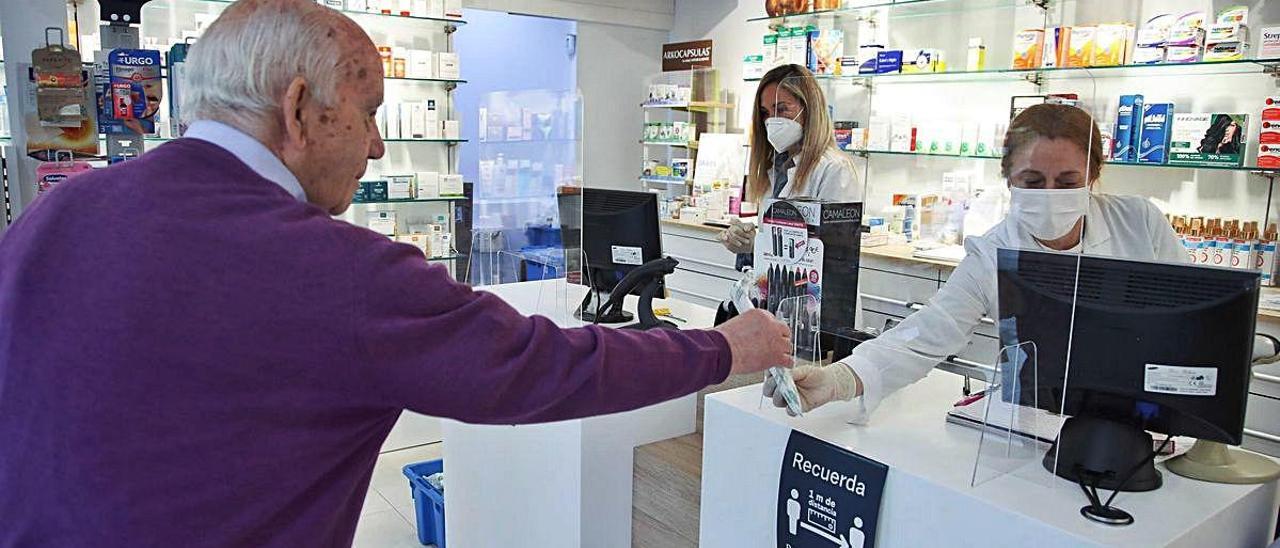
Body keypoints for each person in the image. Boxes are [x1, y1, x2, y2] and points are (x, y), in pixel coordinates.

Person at [0, 1, 793, 545]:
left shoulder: (56, 213)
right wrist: (723, 349)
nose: (378, 146)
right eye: (370, 111)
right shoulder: (333, 270)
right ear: (301, 108)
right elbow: (539, 368)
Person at [764, 103, 1190, 420]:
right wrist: (839, 379)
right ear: (1010, 181)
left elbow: (1191, 323)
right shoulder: (993, 251)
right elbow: (926, 334)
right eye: (1032, 181)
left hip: (1139, 419)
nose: (1048, 194)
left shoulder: (1140, 222)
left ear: (1092, 177)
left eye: (1067, 182)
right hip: (1030, 423)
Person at [720, 63, 860, 269]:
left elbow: (833, 254)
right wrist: (750, 242)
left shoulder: (834, 169)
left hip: (817, 296)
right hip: (778, 289)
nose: (771, 120)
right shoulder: (778, 167)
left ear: (809, 109)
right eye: (765, 112)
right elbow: (782, 238)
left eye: (782, 109)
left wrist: (760, 245)